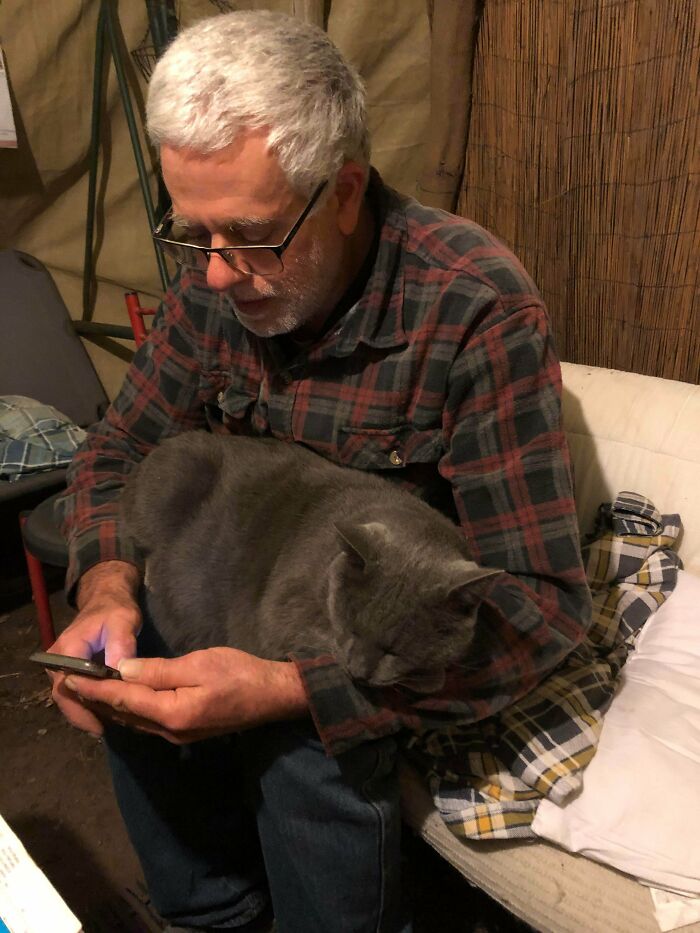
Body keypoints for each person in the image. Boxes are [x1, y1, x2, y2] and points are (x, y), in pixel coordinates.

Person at [49, 10, 592, 932]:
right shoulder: (222, 275)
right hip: (240, 577)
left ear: (343, 191)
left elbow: (538, 614)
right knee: (126, 672)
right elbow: (117, 450)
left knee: (312, 755)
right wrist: (105, 587)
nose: (216, 276)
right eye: (195, 235)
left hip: (348, 640)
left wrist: (283, 686)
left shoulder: (471, 306)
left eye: (250, 236)